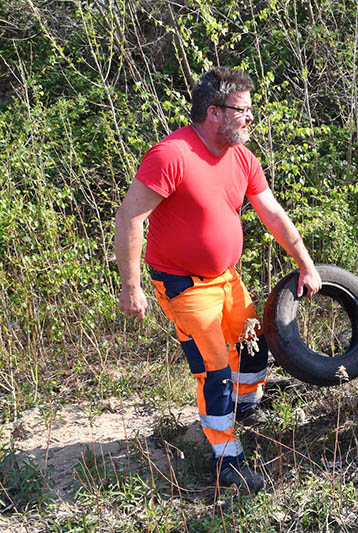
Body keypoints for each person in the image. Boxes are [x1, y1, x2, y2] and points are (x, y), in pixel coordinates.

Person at [114, 67, 321, 491]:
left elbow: (272, 214)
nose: (250, 118)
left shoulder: (242, 158)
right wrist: (131, 286)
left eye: (250, 110)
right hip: (182, 285)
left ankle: (244, 409)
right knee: (214, 370)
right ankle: (225, 457)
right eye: (242, 110)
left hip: (226, 278)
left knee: (253, 344)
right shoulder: (172, 155)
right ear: (214, 112)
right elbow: (130, 218)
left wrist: (306, 263)